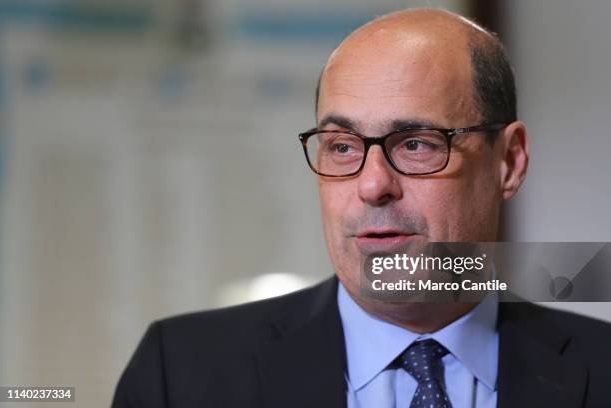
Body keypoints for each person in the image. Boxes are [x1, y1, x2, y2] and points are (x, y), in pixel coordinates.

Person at [111, 8, 611, 408]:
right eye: (343, 146)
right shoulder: (178, 377)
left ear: (509, 161)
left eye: (417, 143)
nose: (373, 185)